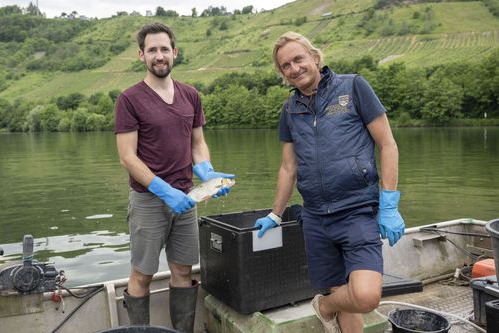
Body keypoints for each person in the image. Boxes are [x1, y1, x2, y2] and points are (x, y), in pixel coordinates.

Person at [254, 32, 405, 333]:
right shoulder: (290, 109)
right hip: (316, 218)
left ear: (315, 57)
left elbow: (387, 144)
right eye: (285, 65)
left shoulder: (353, 87)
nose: (294, 68)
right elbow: (288, 167)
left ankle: (323, 308)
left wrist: (389, 203)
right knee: (339, 291)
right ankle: (331, 305)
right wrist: (275, 213)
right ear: (282, 73)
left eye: (298, 59)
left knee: (365, 295)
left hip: (357, 211)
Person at [115, 22, 234, 333]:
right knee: (142, 274)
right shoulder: (129, 99)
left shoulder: (190, 95)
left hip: (187, 199)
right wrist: (162, 189)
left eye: (164, 49)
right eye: (152, 50)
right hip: (148, 201)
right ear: (141, 55)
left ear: (175, 52)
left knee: (183, 270)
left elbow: (197, 143)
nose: (159, 55)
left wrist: (206, 172)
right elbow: (127, 156)